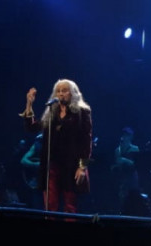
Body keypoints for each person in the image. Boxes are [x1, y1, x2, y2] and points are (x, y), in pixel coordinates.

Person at [20, 79, 93, 213]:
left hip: (71, 166)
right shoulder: (51, 112)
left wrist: (82, 167)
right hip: (52, 165)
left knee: (70, 205)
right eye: (58, 91)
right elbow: (32, 127)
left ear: (72, 93)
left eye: (64, 91)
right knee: (50, 204)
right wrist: (29, 103)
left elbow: (86, 143)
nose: (60, 94)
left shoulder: (82, 113)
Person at [111, 126, 148, 215]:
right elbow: (117, 162)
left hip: (132, 178)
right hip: (121, 178)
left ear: (131, 136)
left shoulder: (135, 148)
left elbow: (137, 164)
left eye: (127, 135)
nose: (125, 137)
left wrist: (124, 160)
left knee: (132, 196)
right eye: (124, 134)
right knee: (121, 196)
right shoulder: (117, 150)